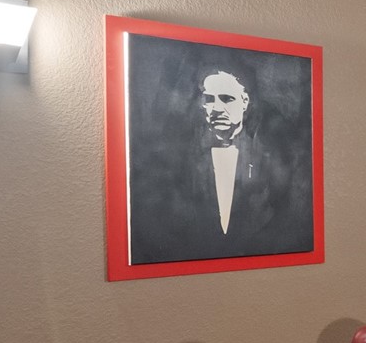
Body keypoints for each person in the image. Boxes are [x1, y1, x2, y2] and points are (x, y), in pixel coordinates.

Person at [129, 56, 312, 264]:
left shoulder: (273, 158)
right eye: (209, 99)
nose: (216, 108)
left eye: (227, 99)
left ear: (245, 102)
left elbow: (289, 223)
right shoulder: (179, 161)